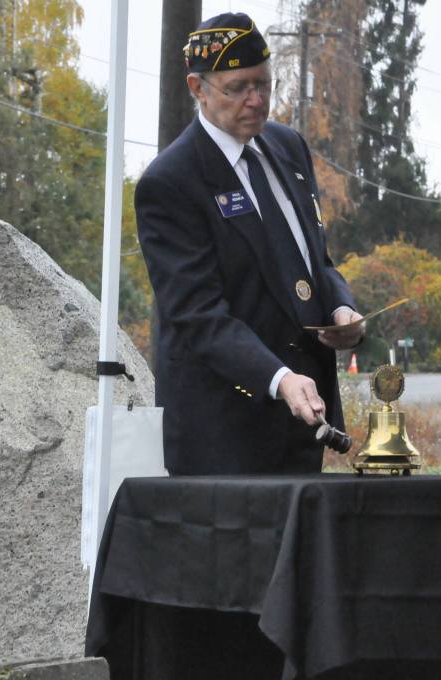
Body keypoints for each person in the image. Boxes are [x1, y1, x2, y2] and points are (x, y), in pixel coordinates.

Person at [136, 12, 364, 476]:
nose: (256, 100)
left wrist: (340, 307)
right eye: (237, 87)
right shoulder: (171, 181)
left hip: (305, 417)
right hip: (224, 428)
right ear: (197, 88)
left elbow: (313, 257)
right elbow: (197, 314)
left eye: (264, 84)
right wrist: (278, 379)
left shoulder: (288, 147)